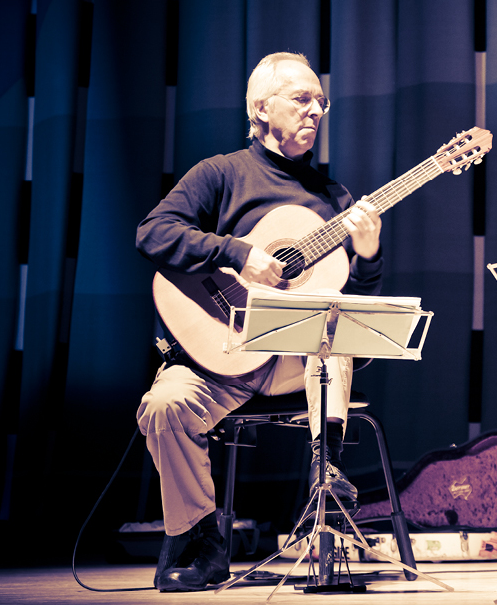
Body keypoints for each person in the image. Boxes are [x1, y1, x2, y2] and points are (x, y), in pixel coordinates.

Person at [134, 52, 383, 592]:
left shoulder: (333, 201)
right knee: (162, 406)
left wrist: (367, 258)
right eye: (301, 98)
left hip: (300, 366)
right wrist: (236, 252)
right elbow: (153, 233)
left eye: (322, 102)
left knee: (335, 325)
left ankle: (328, 476)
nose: (316, 109)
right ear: (260, 107)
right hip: (220, 355)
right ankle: (200, 539)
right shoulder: (221, 174)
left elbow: (361, 307)